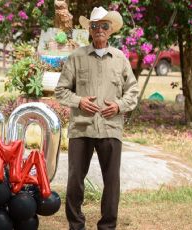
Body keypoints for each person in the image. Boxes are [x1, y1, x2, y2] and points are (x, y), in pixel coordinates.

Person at [54, 6, 139, 230]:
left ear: (110, 30)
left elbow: (133, 91)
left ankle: (108, 226)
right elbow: (61, 91)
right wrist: (79, 101)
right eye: (94, 26)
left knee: (112, 182)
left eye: (104, 26)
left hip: (111, 128)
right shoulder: (76, 57)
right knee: (74, 180)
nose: (99, 29)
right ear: (89, 30)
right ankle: (76, 225)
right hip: (81, 128)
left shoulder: (120, 59)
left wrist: (119, 105)